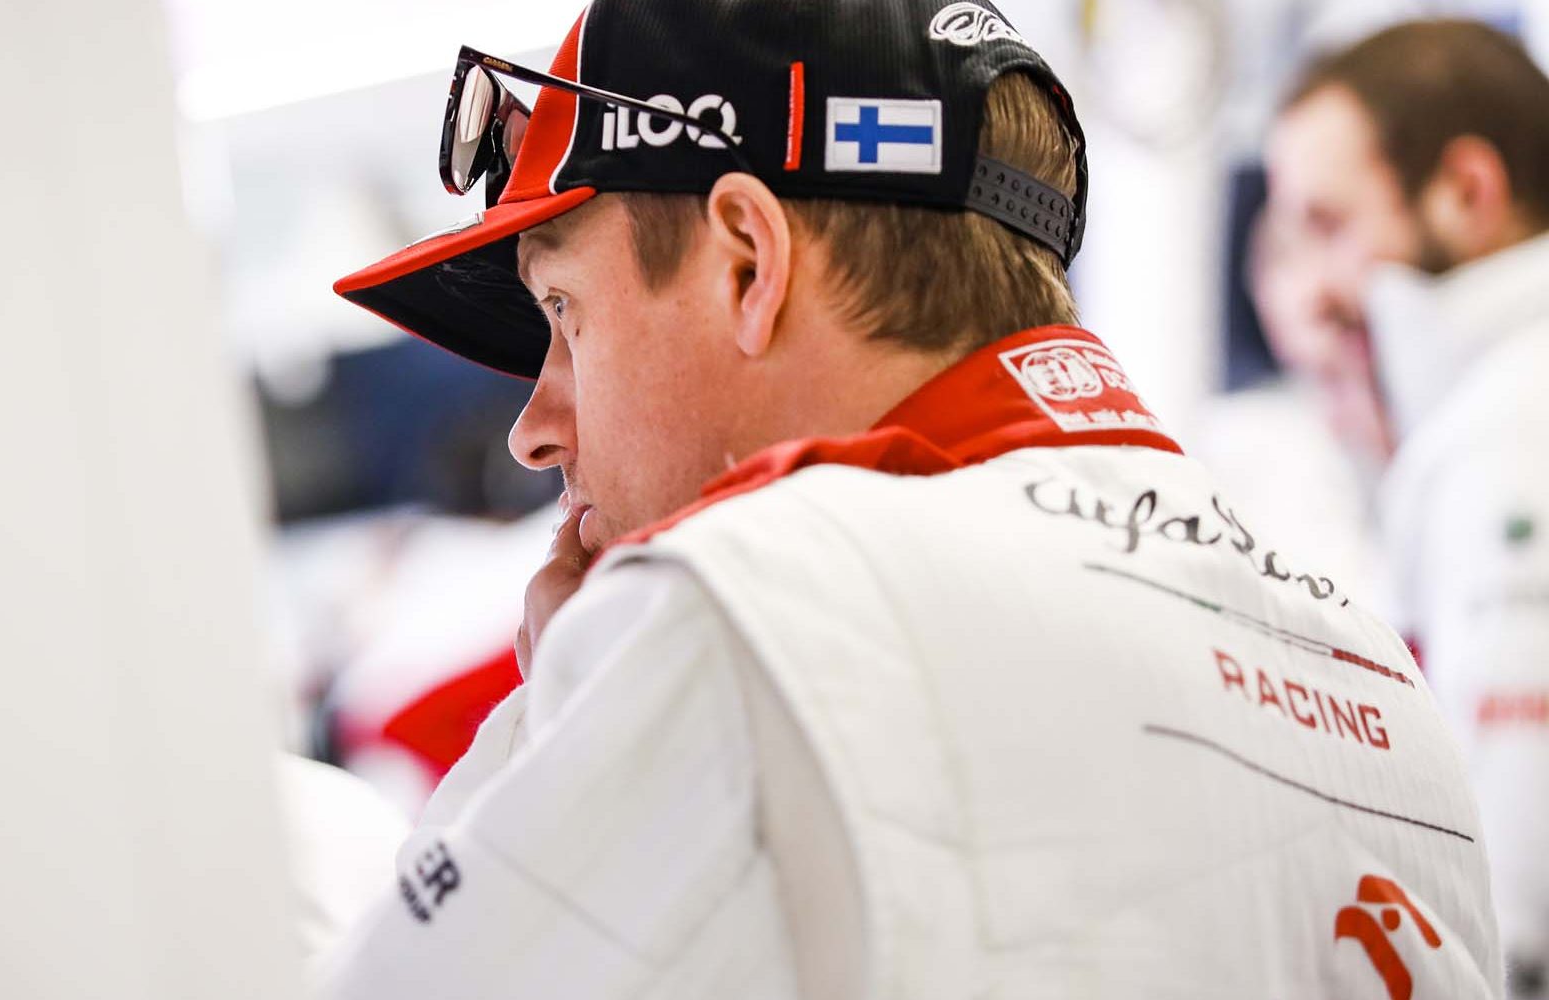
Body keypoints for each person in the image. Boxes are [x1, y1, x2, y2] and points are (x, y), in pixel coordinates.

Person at [324, 1, 1504, 996]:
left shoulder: (742, 613)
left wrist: (557, 715)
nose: (535, 427)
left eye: (564, 315)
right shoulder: (1374, 672)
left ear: (748, 260)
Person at [1265, 19, 1549, 996]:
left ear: (1467, 192)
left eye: (1331, 226)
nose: (1312, 291)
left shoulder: (1510, 429)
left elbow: (1518, 900)